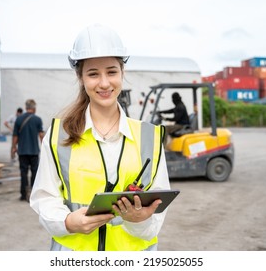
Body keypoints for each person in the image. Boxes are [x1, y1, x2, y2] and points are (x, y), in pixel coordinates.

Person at [29, 24, 171, 251]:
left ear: (122, 73)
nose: (104, 83)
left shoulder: (150, 138)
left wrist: (138, 220)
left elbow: (153, 225)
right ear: (81, 77)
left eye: (111, 71)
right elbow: (44, 198)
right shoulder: (59, 136)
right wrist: (67, 222)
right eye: (93, 73)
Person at [11, 100, 44, 201]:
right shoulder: (38, 119)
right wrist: (45, 148)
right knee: (35, 172)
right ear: (34, 108)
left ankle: (24, 194)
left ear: (26, 107)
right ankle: (33, 195)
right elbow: (41, 135)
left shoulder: (19, 119)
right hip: (34, 151)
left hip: (22, 151)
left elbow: (15, 136)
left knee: (23, 172)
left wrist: (13, 147)